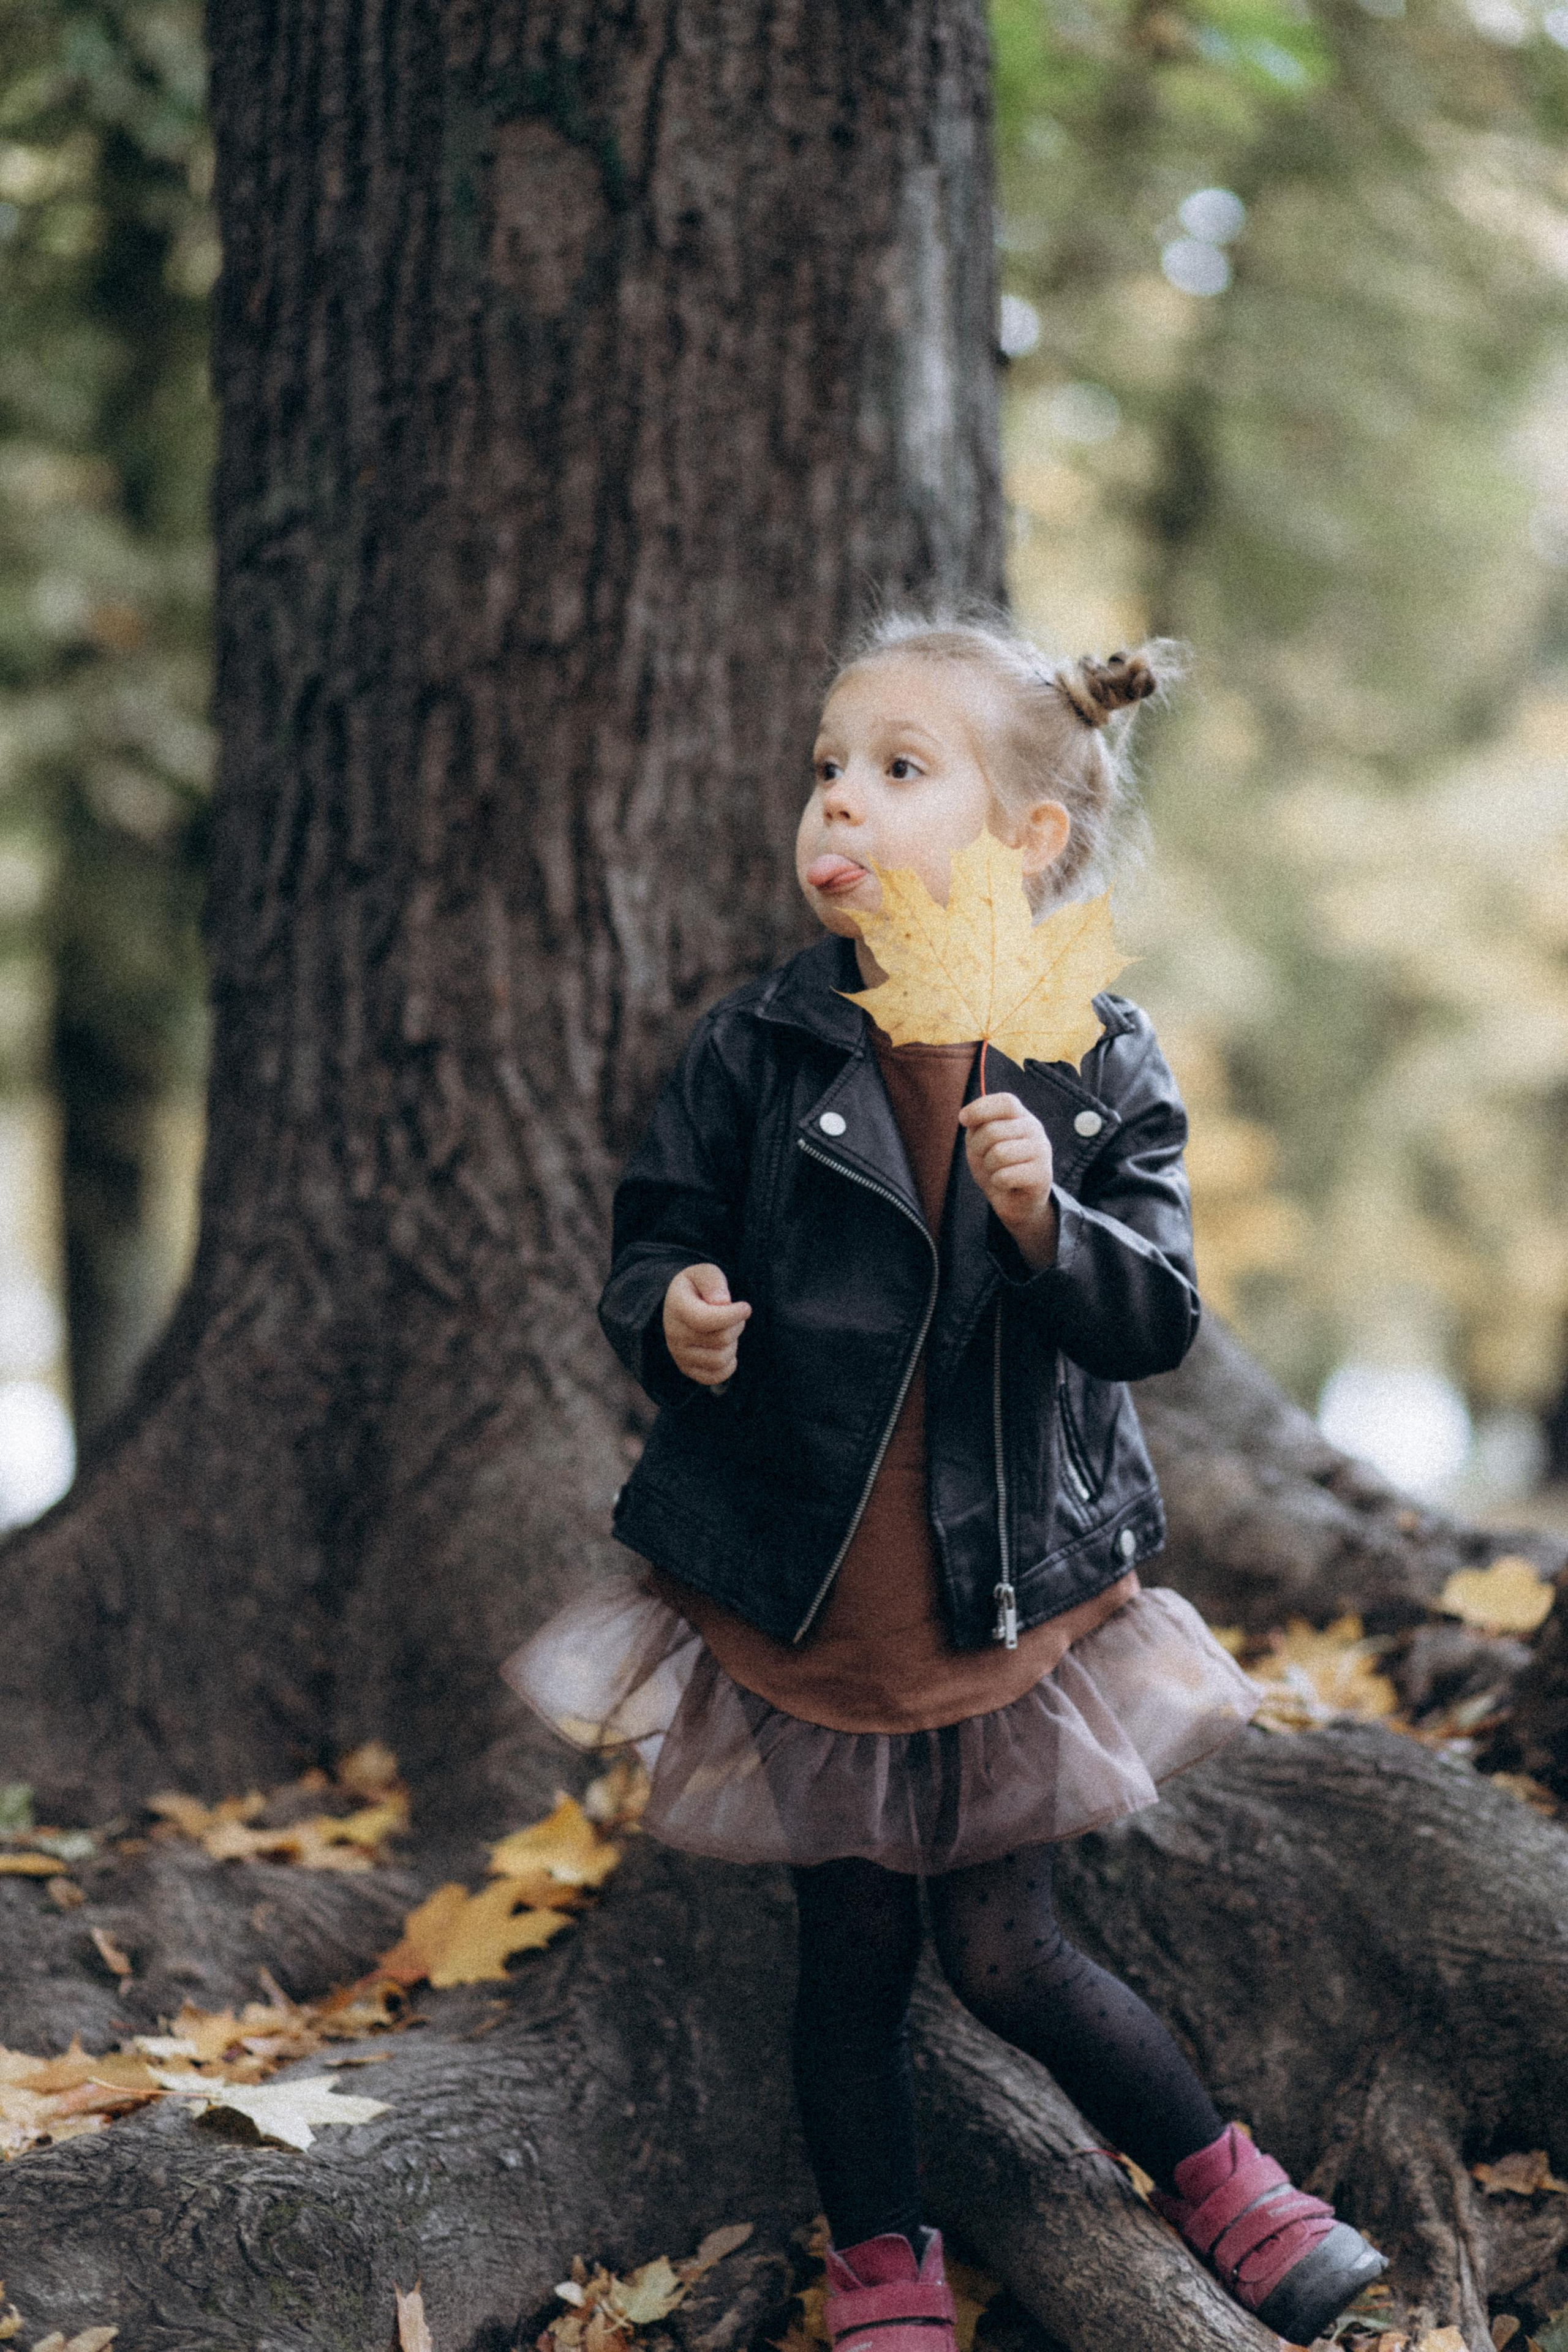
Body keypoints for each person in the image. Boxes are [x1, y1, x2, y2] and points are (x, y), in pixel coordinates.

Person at [503, 611, 1387, 2350]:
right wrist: (669, 1312)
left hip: (1002, 1592)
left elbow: (1154, 1316)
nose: (839, 802)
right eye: (829, 768)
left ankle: (1225, 2181)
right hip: (815, 1593)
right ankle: (884, 2264)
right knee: (847, 1968)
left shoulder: (1092, 1055)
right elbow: (656, 1233)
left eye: (899, 771)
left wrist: (1047, 1217)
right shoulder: (755, 1047)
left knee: (1008, 1956)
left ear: (1027, 838)